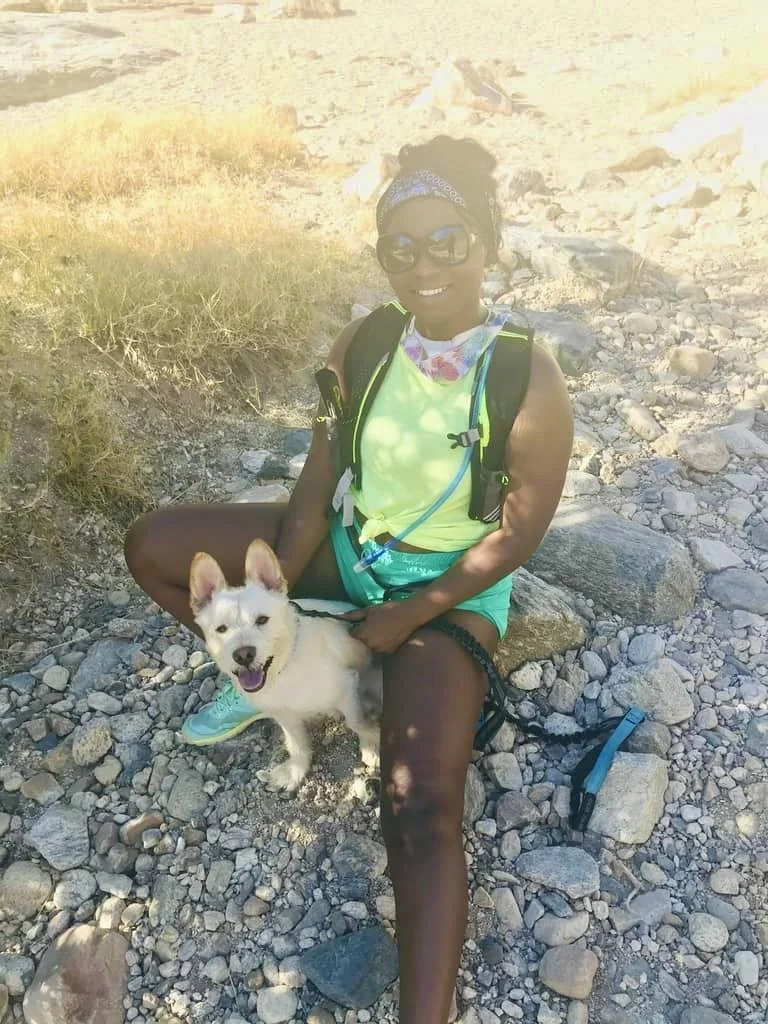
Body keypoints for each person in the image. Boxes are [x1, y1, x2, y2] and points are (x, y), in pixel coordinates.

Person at [124, 135, 573, 1024]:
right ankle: (260, 680)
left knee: (417, 805)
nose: (425, 265)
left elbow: (520, 534)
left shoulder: (525, 376)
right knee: (153, 545)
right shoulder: (366, 341)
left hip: (450, 586)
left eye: (447, 240)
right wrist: (269, 603)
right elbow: (319, 477)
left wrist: (410, 617)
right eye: (401, 248)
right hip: (350, 548)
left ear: (485, 240)